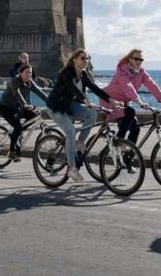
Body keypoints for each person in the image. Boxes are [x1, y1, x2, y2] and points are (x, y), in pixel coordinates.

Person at [46, 48, 117, 182]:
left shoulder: (83, 74)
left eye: (87, 58)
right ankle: (72, 168)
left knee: (92, 113)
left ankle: (80, 142)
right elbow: (72, 87)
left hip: (69, 106)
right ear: (75, 59)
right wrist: (86, 101)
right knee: (71, 132)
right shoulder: (67, 72)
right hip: (56, 107)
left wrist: (111, 100)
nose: (86, 61)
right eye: (83, 58)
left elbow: (94, 88)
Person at [100, 49, 161, 144]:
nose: (139, 61)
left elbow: (151, 84)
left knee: (135, 129)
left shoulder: (141, 72)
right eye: (136, 59)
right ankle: (118, 143)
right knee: (130, 112)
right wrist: (139, 102)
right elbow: (127, 86)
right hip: (110, 100)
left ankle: (128, 155)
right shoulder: (122, 71)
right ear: (129, 59)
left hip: (123, 103)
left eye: (141, 60)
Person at [0, 64, 48, 161]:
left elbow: (39, 92)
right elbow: (18, 94)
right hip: (7, 108)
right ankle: (11, 151)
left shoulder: (29, 82)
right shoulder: (14, 81)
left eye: (30, 72)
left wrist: (51, 101)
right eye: (26, 72)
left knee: (35, 117)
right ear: (20, 73)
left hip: (19, 107)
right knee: (18, 126)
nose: (29, 74)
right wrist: (25, 104)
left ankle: (18, 132)